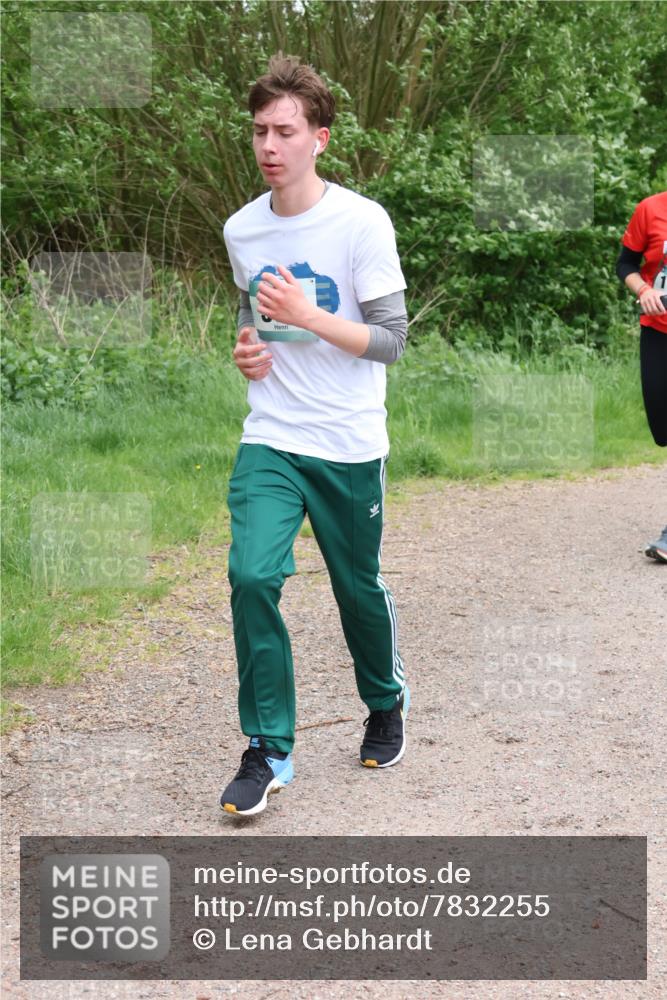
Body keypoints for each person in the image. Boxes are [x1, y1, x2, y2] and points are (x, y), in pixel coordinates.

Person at [219, 53, 410, 816]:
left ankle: (386, 699)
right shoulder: (242, 227)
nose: (269, 145)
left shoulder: (361, 221)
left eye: (285, 131)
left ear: (319, 139)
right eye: (260, 131)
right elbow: (250, 316)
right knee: (251, 577)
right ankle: (268, 748)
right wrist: (247, 348)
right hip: (272, 435)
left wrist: (309, 317)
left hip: (348, 442)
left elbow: (391, 340)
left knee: (354, 587)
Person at [616, 189, 667, 563]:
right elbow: (626, 264)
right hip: (659, 331)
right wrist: (644, 289)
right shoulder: (650, 209)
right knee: (663, 426)